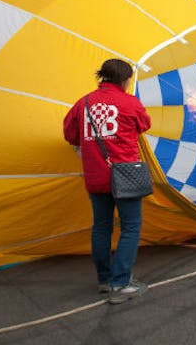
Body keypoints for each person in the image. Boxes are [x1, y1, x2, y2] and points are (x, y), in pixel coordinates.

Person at [63, 58, 152, 304]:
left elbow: (69, 134)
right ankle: (120, 283)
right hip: (125, 176)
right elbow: (144, 124)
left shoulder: (84, 103)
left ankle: (104, 280)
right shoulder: (129, 102)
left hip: (96, 176)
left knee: (102, 227)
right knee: (130, 227)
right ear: (124, 80)